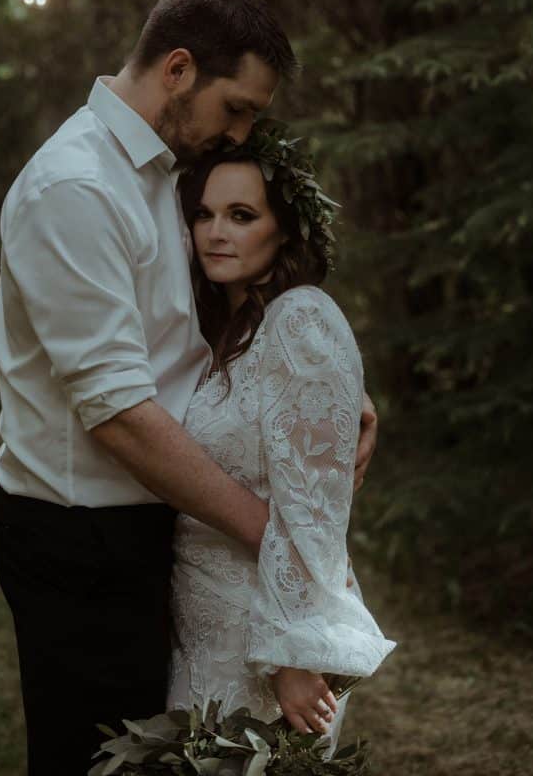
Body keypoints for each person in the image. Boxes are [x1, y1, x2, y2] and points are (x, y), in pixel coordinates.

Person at [0, 0, 378, 776]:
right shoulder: (77, 188)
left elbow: (202, 328)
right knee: (92, 761)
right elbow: (121, 415)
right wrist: (280, 539)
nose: (240, 133)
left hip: (158, 523)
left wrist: (331, 389)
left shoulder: (171, 171)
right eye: (235, 108)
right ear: (177, 69)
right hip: (79, 536)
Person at [166, 130, 395, 754]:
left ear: (286, 232)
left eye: (242, 215)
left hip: (264, 635)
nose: (216, 233)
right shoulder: (223, 332)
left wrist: (292, 652)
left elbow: (314, 510)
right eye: (204, 215)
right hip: (203, 622)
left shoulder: (300, 319)